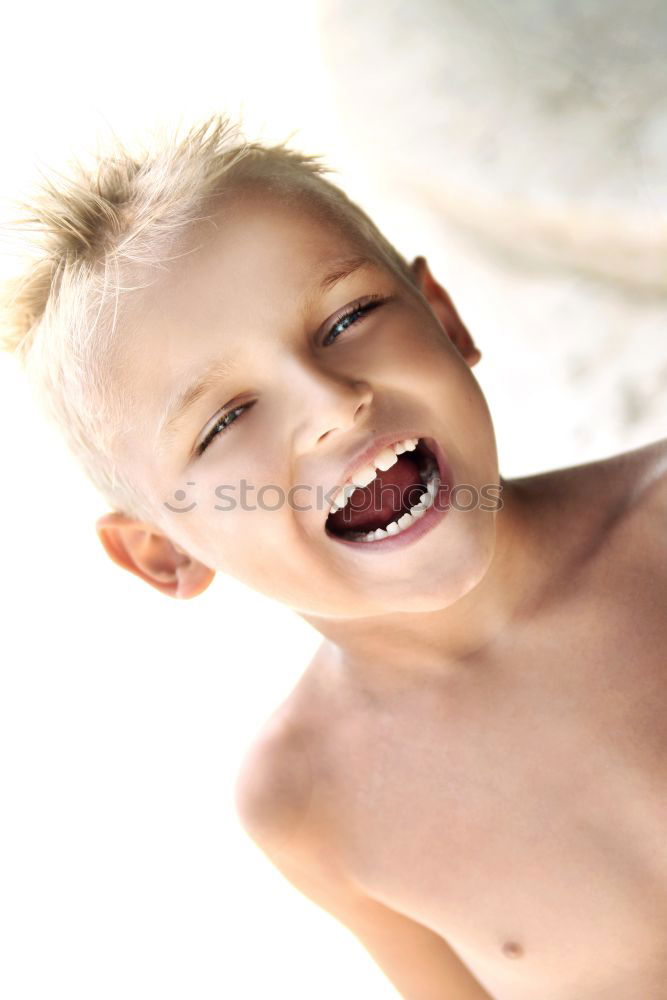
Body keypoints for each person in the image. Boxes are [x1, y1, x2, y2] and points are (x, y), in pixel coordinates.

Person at [2, 112, 666, 999]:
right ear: (160, 551)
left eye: (347, 316)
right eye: (226, 418)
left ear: (444, 318)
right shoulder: (306, 803)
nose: (330, 404)